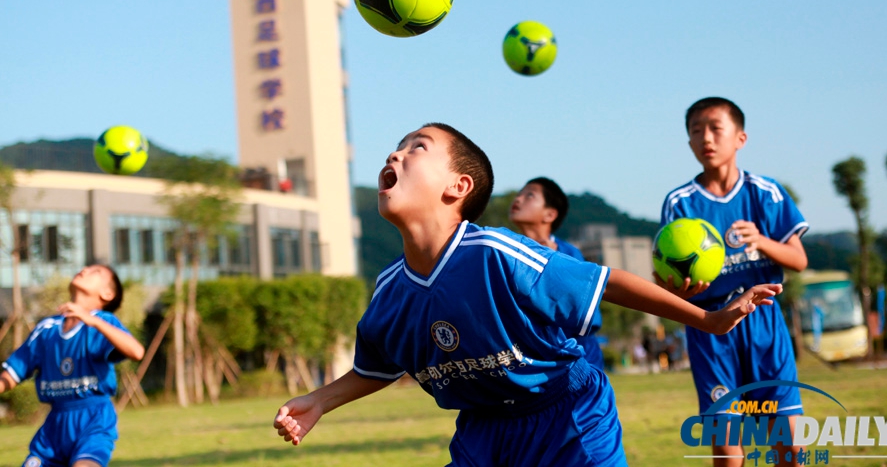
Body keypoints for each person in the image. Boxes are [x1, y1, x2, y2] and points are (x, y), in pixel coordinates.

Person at [274, 122, 782, 466]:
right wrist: (318, 401)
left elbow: (606, 282)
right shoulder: (389, 292)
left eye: (417, 147)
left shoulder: (495, 251)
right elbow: (376, 367)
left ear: (458, 187)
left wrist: (707, 319)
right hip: (482, 432)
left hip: (565, 414)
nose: (395, 153)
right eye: (397, 147)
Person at [656, 97, 808, 467]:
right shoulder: (680, 203)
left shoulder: (765, 192)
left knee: (789, 441)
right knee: (727, 446)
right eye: (696, 131)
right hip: (712, 329)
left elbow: (799, 260)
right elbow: (665, 281)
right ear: (689, 143)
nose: (705, 138)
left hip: (765, 325)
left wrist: (761, 241)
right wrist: (682, 291)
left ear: (740, 138)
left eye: (715, 128)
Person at [0, 264, 145, 467]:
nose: (84, 270)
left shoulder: (101, 322)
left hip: (94, 418)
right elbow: (12, 374)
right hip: (54, 424)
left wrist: (92, 321)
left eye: (95, 272)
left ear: (107, 293)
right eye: (84, 268)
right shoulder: (46, 329)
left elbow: (137, 351)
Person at [509, 176, 605, 370]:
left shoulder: (569, 255)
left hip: (579, 358)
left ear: (550, 215)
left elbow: (587, 316)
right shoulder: (506, 253)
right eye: (519, 194)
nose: (517, 199)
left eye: (529, 195)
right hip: (532, 363)